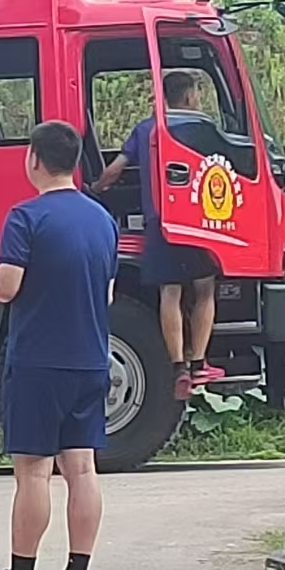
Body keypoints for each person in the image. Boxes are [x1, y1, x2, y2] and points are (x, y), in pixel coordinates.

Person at [0, 121, 119, 570]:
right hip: (91, 360)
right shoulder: (102, 220)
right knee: (81, 469)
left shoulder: (25, 217)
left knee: (33, 473)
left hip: (39, 362)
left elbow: (7, 287)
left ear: (34, 159)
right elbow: (108, 291)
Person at [90, 70, 224, 400]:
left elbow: (115, 169)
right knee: (204, 290)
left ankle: (177, 365)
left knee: (170, 293)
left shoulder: (146, 129)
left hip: (160, 223)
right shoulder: (202, 129)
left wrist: (94, 189)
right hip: (197, 223)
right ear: (191, 96)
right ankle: (198, 363)